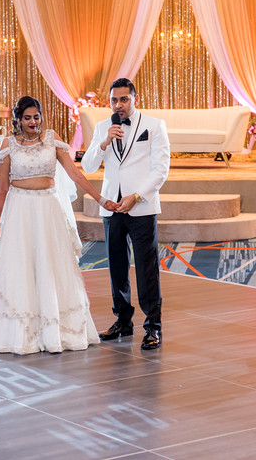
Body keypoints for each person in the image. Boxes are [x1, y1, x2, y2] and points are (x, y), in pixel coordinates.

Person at [0, 96, 112, 355]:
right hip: (19, 210)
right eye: (27, 117)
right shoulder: (8, 145)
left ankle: (56, 331)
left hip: (48, 209)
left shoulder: (52, 139)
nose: (33, 122)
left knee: (52, 265)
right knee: (22, 267)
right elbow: (2, 187)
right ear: (18, 119)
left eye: (36, 116)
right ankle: (20, 334)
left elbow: (74, 174)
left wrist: (100, 199)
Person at [81, 78, 171, 350]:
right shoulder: (101, 128)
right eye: (113, 100)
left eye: (124, 99)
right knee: (117, 267)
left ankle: (153, 326)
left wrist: (137, 196)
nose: (118, 105)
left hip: (141, 206)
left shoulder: (154, 126)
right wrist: (105, 141)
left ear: (135, 98)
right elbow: (87, 165)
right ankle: (122, 320)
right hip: (111, 207)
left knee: (146, 268)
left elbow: (161, 169)